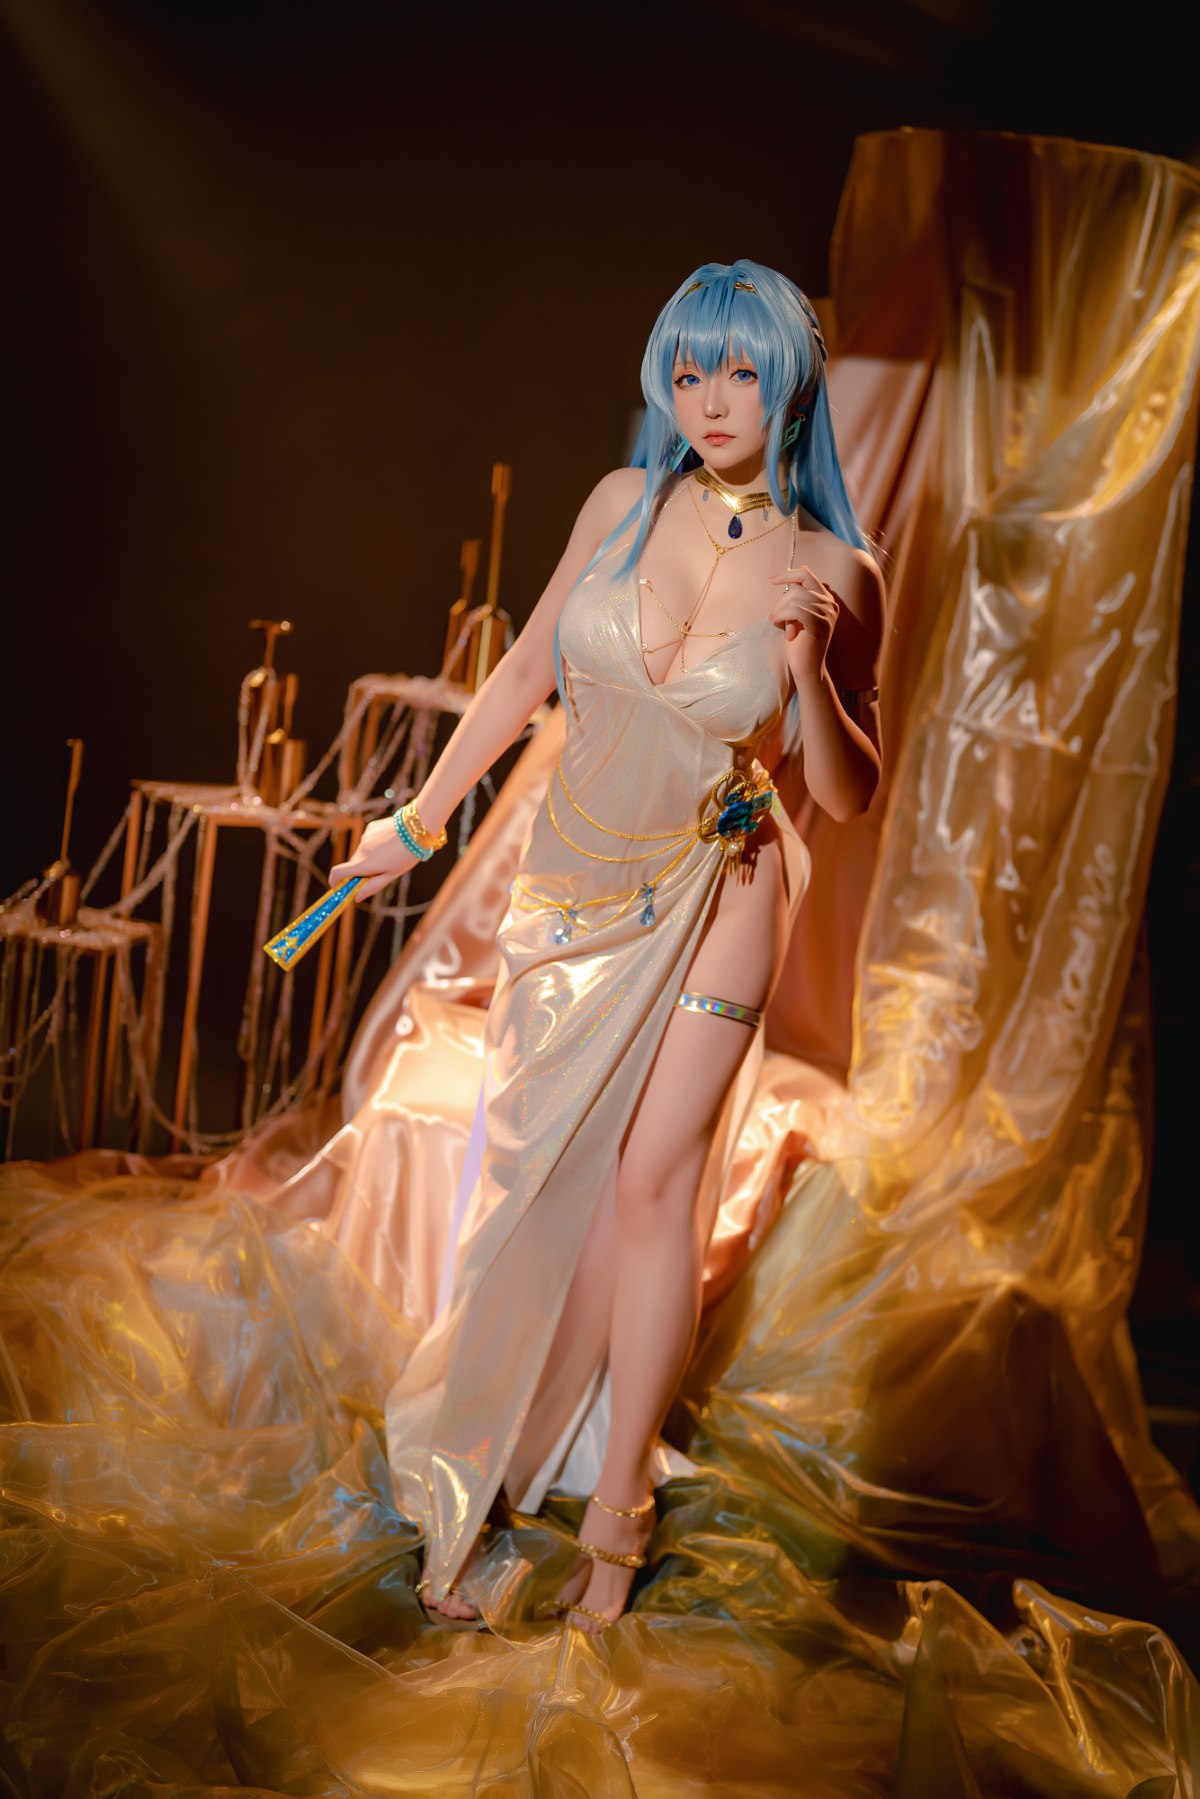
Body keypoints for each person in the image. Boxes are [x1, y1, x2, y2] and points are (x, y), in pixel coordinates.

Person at [329, 258, 885, 1633]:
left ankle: (619, 1519)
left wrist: (808, 677)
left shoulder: (837, 569)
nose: (711, 399)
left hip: (724, 891)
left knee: (652, 1191)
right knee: (525, 1181)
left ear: (792, 382)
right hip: (573, 890)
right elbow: (527, 671)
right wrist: (415, 823)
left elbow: (849, 793)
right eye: (688, 372)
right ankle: (489, 1454)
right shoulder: (620, 505)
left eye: (740, 370)